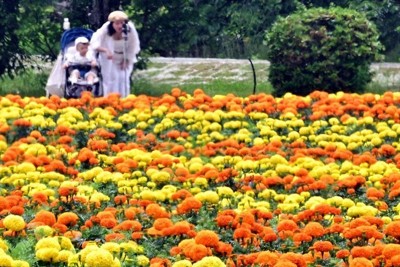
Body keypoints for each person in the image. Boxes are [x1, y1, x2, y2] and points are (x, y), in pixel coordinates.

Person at [90, 10, 140, 98]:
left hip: (124, 57)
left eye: (121, 23)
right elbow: (94, 44)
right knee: (111, 79)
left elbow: (133, 45)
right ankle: (109, 100)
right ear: (112, 24)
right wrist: (106, 50)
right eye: (117, 23)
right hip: (109, 58)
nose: (119, 26)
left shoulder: (130, 30)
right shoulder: (105, 29)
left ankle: (124, 100)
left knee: (122, 79)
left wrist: (127, 59)